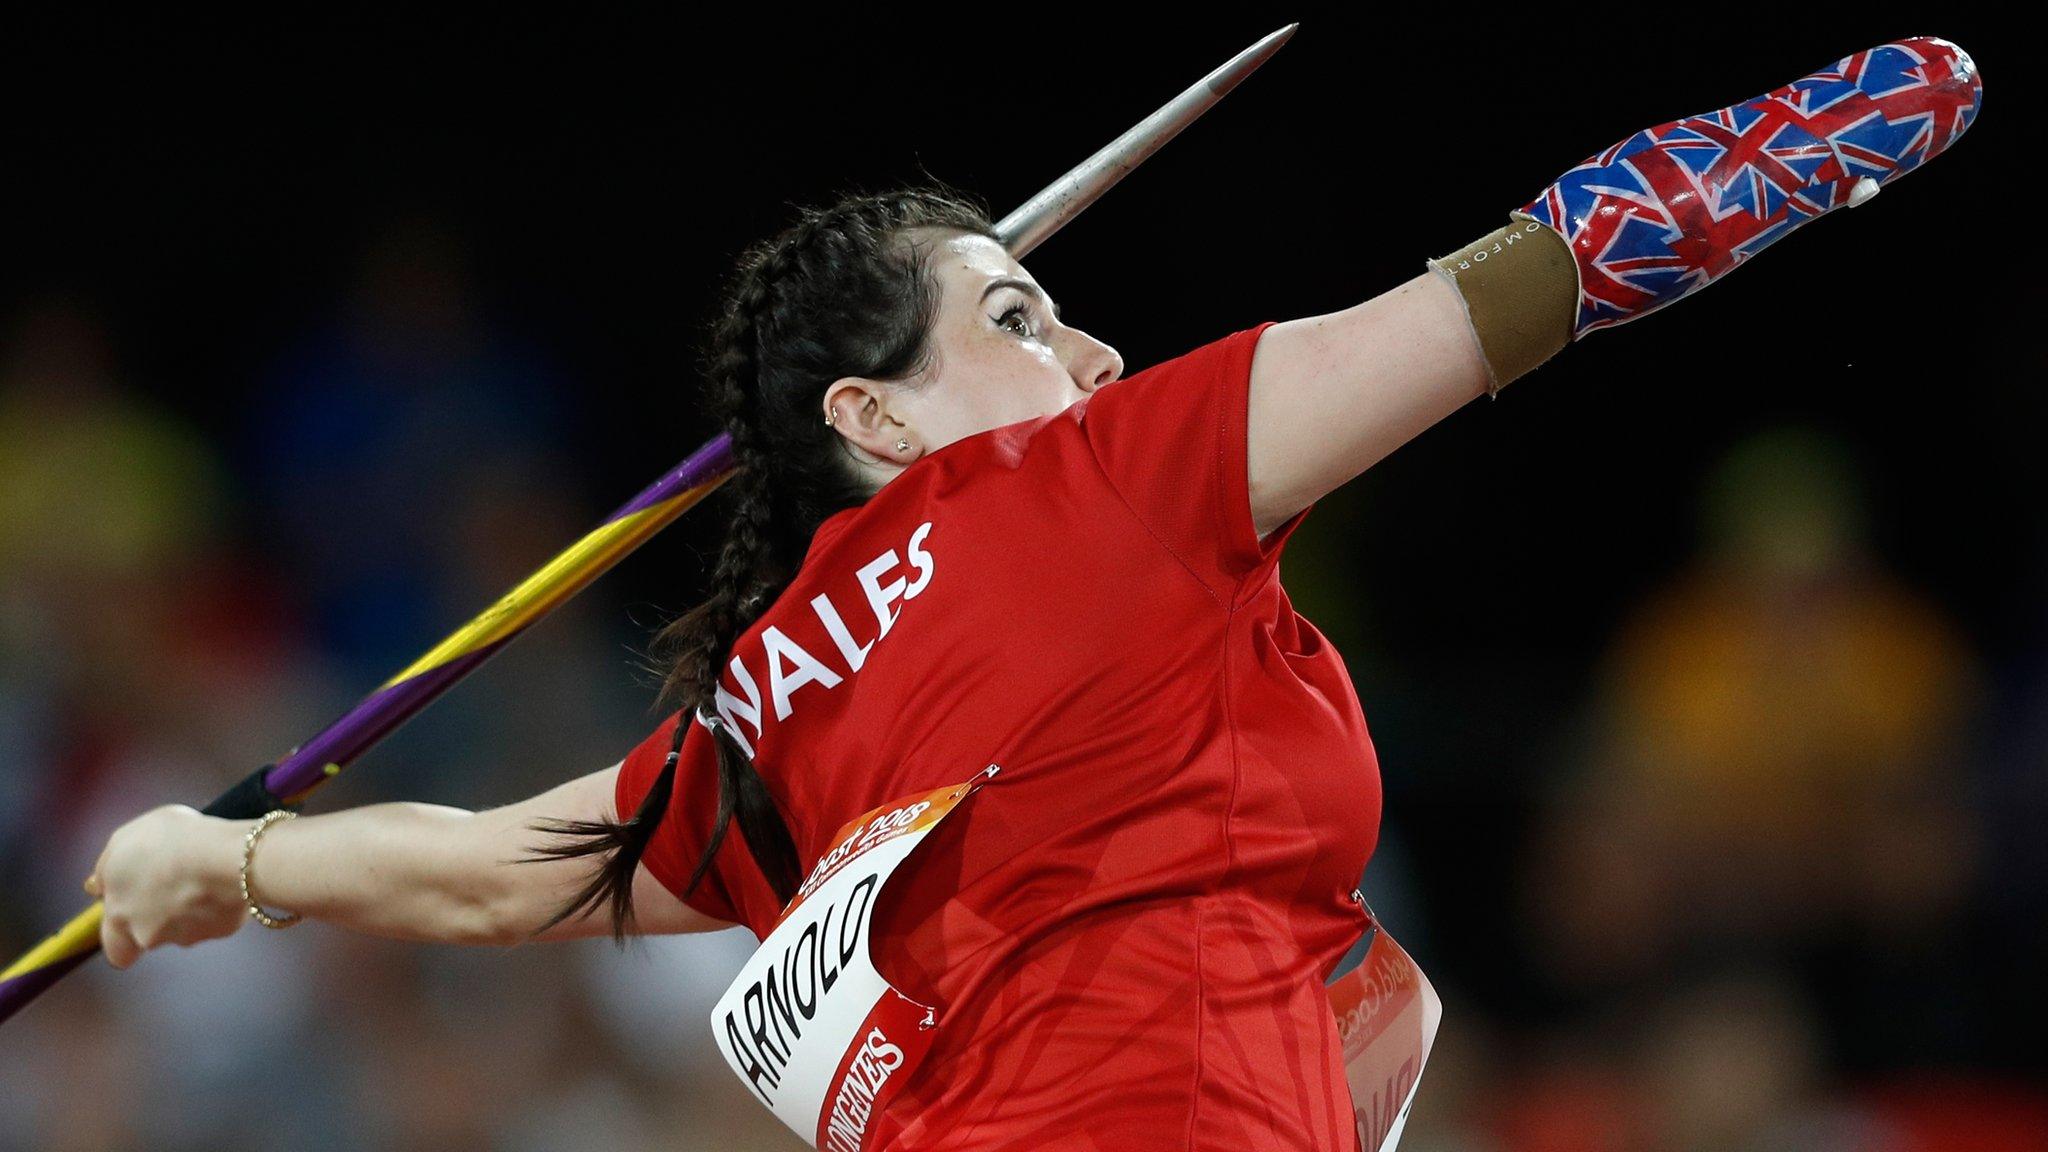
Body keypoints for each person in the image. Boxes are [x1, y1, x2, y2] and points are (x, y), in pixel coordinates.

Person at [84, 35, 1981, 1150]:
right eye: (1016, 314)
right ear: (874, 417)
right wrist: (1834, 127)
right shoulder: (1100, 476)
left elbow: (484, 874)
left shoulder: (770, 706)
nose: (1085, 350)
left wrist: (219, 862)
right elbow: (1526, 284)